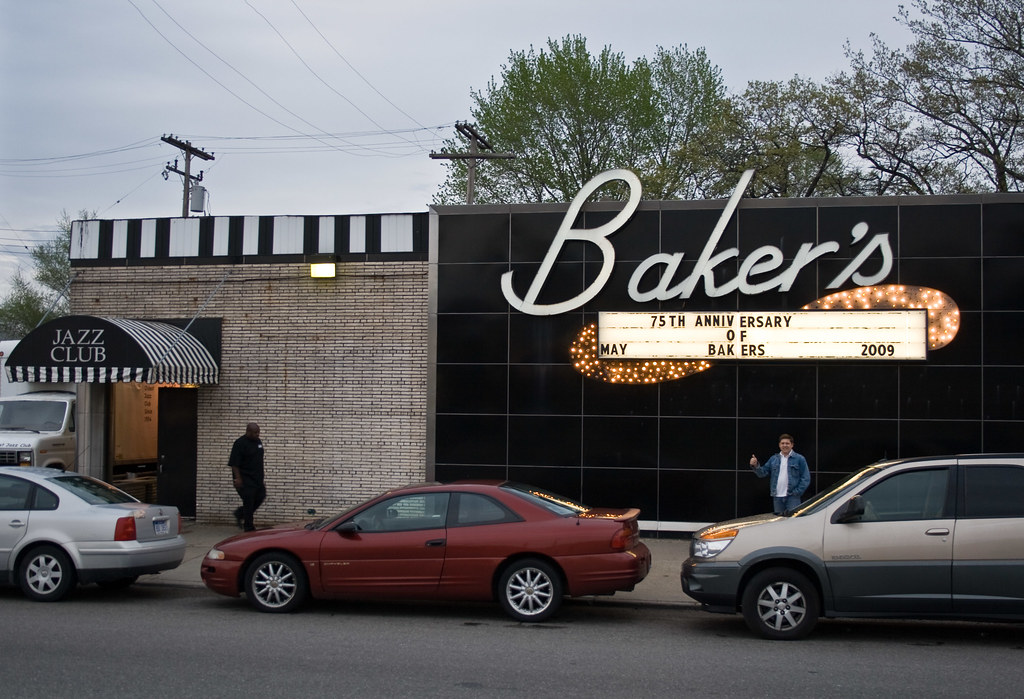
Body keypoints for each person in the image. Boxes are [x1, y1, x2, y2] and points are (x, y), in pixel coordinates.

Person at [749, 433, 810, 515]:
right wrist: (755, 465)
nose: (785, 445)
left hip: (792, 497)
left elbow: (806, 478)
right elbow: (762, 473)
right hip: (777, 497)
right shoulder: (774, 459)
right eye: (782, 443)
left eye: (787, 443)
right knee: (779, 523)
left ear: (792, 445)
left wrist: (797, 492)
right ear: (779, 445)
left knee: (793, 522)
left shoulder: (799, 459)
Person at [229, 422, 266, 531]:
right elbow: (234, 464)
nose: (257, 434)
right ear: (248, 431)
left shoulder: (258, 442)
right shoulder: (240, 443)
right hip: (245, 478)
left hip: (257, 478)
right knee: (249, 501)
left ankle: (240, 513)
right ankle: (249, 527)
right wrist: (238, 478)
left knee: (261, 496)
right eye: (255, 432)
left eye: (258, 432)